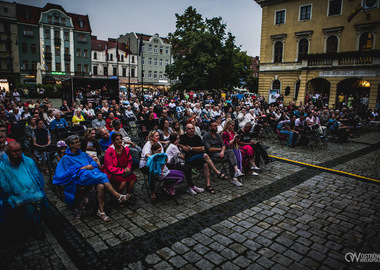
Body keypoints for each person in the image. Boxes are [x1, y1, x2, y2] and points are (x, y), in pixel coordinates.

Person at [53, 135, 129, 222]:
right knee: (103, 176)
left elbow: (93, 163)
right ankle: (117, 196)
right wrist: (84, 168)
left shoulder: (82, 153)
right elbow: (69, 172)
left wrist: (89, 167)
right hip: (78, 179)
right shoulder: (66, 158)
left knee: (101, 186)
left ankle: (101, 212)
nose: (79, 144)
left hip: (90, 176)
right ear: (70, 145)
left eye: (79, 142)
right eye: (76, 142)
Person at [0, 142, 47, 224]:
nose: (18, 153)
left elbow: (37, 178)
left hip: (33, 192)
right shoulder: (3, 167)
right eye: (15, 151)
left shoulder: (28, 161)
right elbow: (5, 187)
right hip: (15, 195)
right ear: (8, 153)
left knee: (39, 199)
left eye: (19, 150)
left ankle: (36, 224)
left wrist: (34, 190)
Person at [179, 123, 226, 194]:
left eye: (192, 128)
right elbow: (175, 143)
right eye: (189, 129)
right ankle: (217, 172)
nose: (191, 130)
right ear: (186, 130)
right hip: (188, 158)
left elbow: (202, 148)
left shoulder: (197, 137)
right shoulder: (182, 137)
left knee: (206, 165)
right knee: (205, 155)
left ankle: (208, 185)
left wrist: (191, 148)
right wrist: (182, 146)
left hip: (198, 158)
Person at [203, 120, 244, 187]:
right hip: (212, 155)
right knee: (230, 157)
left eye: (216, 126)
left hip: (220, 153)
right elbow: (209, 149)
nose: (216, 127)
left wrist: (222, 151)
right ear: (210, 127)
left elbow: (223, 145)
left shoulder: (217, 135)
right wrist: (220, 150)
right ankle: (234, 176)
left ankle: (236, 172)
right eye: (214, 126)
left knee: (231, 152)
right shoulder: (206, 136)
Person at [102, 133, 136, 207]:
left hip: (125, 170)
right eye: (117, 139)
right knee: (123, 182)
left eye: (121, 139)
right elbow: (109, 167)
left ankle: (127, 196)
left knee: (133, 178)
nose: (120, 141)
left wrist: (128, 167)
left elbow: (130, 160)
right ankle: (118, 198)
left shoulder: (125, 149)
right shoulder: (109, 151)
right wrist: (122, 170)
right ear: (113, 141)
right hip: (113, 172)